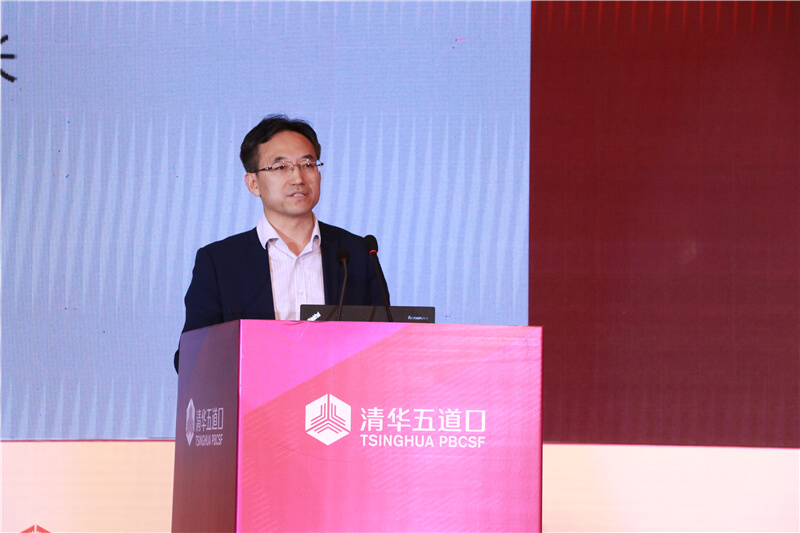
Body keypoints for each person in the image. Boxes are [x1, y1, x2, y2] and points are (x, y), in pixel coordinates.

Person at [175, 115, 387, 372]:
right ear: (253, 183)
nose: (298, 177)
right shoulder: (219, 262)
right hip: (257, 396)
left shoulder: (357, 254)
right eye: (281, 167)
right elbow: (190, 359)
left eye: (307, 164)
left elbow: (384, 344)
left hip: (339, 395)